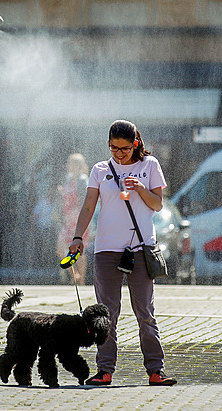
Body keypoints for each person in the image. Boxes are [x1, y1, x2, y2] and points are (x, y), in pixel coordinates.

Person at [67, 119, 177, 386]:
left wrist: (140, 189)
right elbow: (88, 206)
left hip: (140, 249)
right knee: (106, 314)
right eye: (113, 148)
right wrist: (78, 237)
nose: (118, 153)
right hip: (106, 249)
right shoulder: (99, 169)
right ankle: (105, 370)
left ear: (135, 144)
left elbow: (158, 204)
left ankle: (156, 370)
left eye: (124, 149)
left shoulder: (149, 165)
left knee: (145, 312)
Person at [57, 153, 90, 285]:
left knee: (79, 251)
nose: (68, 165)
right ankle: (74, 273)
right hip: (67, 219)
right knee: (60, 248)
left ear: (78, 165)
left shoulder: (82, 180)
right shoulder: (68, 178)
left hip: (79, 219)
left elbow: (86, 199)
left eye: (71, 163)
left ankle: (81, 280)